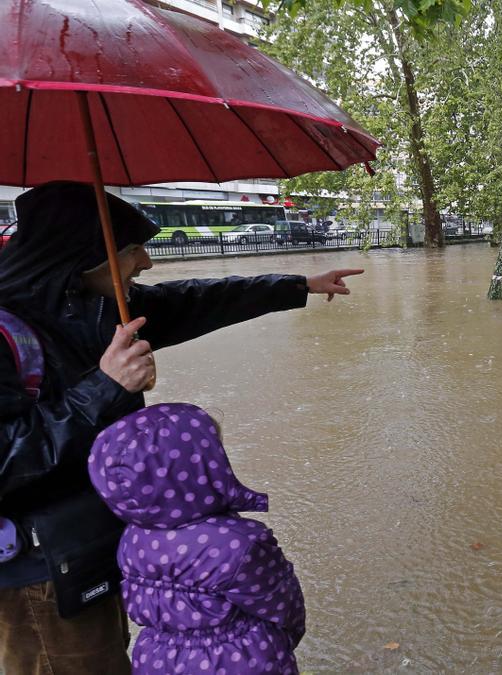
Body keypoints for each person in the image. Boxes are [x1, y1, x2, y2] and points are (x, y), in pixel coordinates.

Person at [0, 182, 361, 673]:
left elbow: (195, 300)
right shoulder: (8, 332)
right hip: (38, 575)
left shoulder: (93, 304)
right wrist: (105, 388)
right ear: (80, 258)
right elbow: (6, 459)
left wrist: (298, 286)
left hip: (95, 550)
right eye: (130, 250)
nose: (146, 262)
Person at [89, 402, 305, 674]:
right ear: (201, 469)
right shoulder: (240, 542)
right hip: (241, 659)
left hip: (157, 659)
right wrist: (280, 645)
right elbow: (284, 606)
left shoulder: (132, 538)